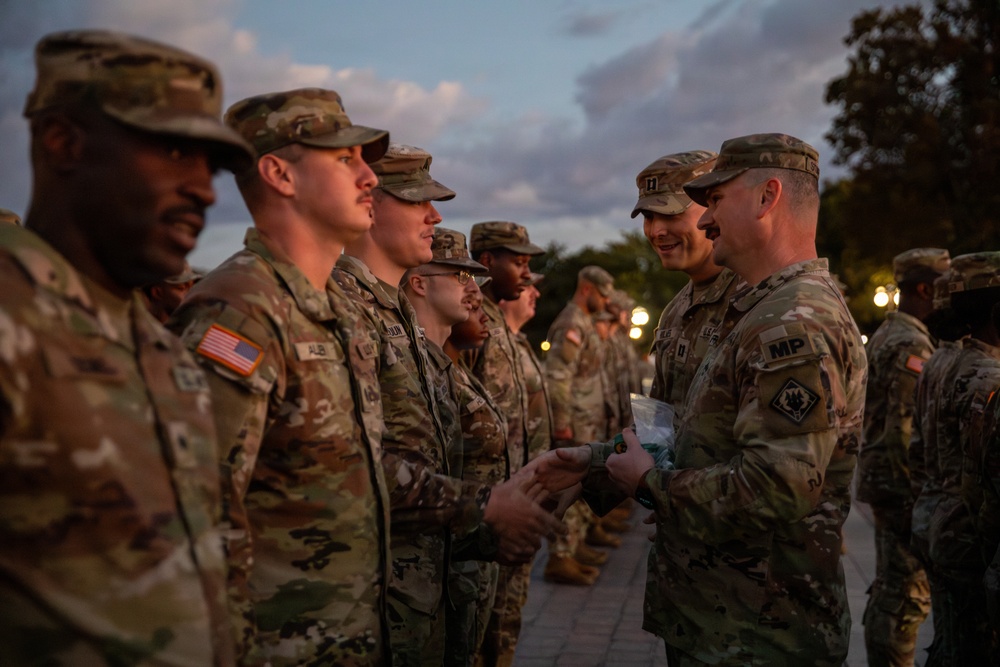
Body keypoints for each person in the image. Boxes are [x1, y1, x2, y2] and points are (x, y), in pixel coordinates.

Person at [537, 134, 867, 665]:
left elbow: (778, 486)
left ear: (766, 198)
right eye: (647, 217)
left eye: (710, 201)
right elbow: (672, 435)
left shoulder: (786, 315)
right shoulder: (685, 311)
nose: (656, 231)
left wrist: (650, 485)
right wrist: (593, 466)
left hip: (765, 619)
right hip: (704, 608)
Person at [0, 29, 253, 664]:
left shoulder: (160, 349)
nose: (204, 189)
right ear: (64, 142)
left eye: (211, 164)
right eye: (173, 151)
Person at [169, 88, 393, 664]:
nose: (369, 177)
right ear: (279, 174)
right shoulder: (240, 310)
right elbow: (200, 521)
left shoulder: (334, 308)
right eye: (345, 159)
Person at [331, 144, 563, 665]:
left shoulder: (397, 320)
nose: (433, 216)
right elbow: (344, 464)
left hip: (424, 591)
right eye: (417, 202)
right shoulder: (341, 309)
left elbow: (433, 458)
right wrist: (484, 510)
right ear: (370, 203)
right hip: (370, 603)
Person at [855, 248, 949, 666]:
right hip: (898, 487)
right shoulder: (910, 343)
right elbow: (902, 431)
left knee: (891, 588)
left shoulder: (889, 333)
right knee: (904, 596)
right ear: (926, 288)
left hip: (884, 481)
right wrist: (916, 502)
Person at [468, 221, 548, 662]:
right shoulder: (471, 320)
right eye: (517, 262)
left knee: (504, 619)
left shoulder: (497, 319)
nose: (526, 273)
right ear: (486, 262)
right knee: (482, 628)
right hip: (485, 501)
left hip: (512, 490)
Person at [921, 252, 1000, 665]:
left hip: (935, 519)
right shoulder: (988, 376)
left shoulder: (941, 360)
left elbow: (917, 447)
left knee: (948, 644)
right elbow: (981, 485)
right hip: (965, 536)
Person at [634, 151, 744, 418]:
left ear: (713, 207)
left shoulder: (755, 299)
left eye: (670, 214)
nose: (656, 231)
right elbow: (662, 432)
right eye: (648, 216)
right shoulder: (675, 312)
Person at [543, 265, 619, 585]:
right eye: (602, 295)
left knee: (582, 487)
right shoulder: (571, 323)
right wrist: (561, 424)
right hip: (574, 422)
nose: (605, 303)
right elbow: (558, 377)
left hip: (588, 420)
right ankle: (559, 556)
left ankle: (574, 547)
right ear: (587, 289)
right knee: (568, 489)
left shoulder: (585, 322)